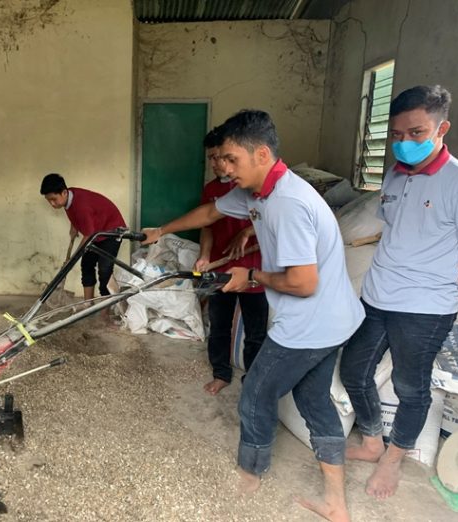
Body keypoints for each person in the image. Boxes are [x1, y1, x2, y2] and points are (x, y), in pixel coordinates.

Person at [142, 109, 363, 522]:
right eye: (220, 160)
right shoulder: (259, 192)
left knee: (257, 394)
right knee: (314, 400)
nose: (224, 168)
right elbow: (210, 213)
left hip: (309, 324)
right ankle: (337, 502)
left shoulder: (289, 203)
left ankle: (250, 473)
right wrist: (163, 230)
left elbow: (303, 282)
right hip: (334, 320)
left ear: (261, 154)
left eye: (231, 160)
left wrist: (251, 275)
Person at [339, 85, 458, 499]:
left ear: (442, 128)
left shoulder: (457, 181)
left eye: (416, 133)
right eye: (396, 135)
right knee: (354, 370)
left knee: (412, 387)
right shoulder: (393, 174)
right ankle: (373, 441)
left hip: (425, 308)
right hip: (378, 296)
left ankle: (392, 459)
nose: (404, 143)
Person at [196, 128, 268, 395]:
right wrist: (204, 255)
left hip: (252, 269)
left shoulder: (251, 187)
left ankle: (254, 380)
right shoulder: (211, 190)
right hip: (221, 267)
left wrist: (247, 232)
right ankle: (221, 373)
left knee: (255, 330)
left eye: (219, 157)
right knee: (219, 325)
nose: (215, 164)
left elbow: (269, 218)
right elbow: (206, 226)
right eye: (211, 159)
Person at [40, 173, 126, 304]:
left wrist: (73, 258)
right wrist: (74, 226)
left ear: (63, 192)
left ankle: (105, 311)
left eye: (53, 199)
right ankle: (88, 304)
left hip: (112, 231)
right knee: (86, 265)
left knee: (104, 270)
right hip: (96, 230)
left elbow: (89, 235)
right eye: (49, 200)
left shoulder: (81, 205)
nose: (52, 204)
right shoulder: (69, 196)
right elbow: (76, 213)